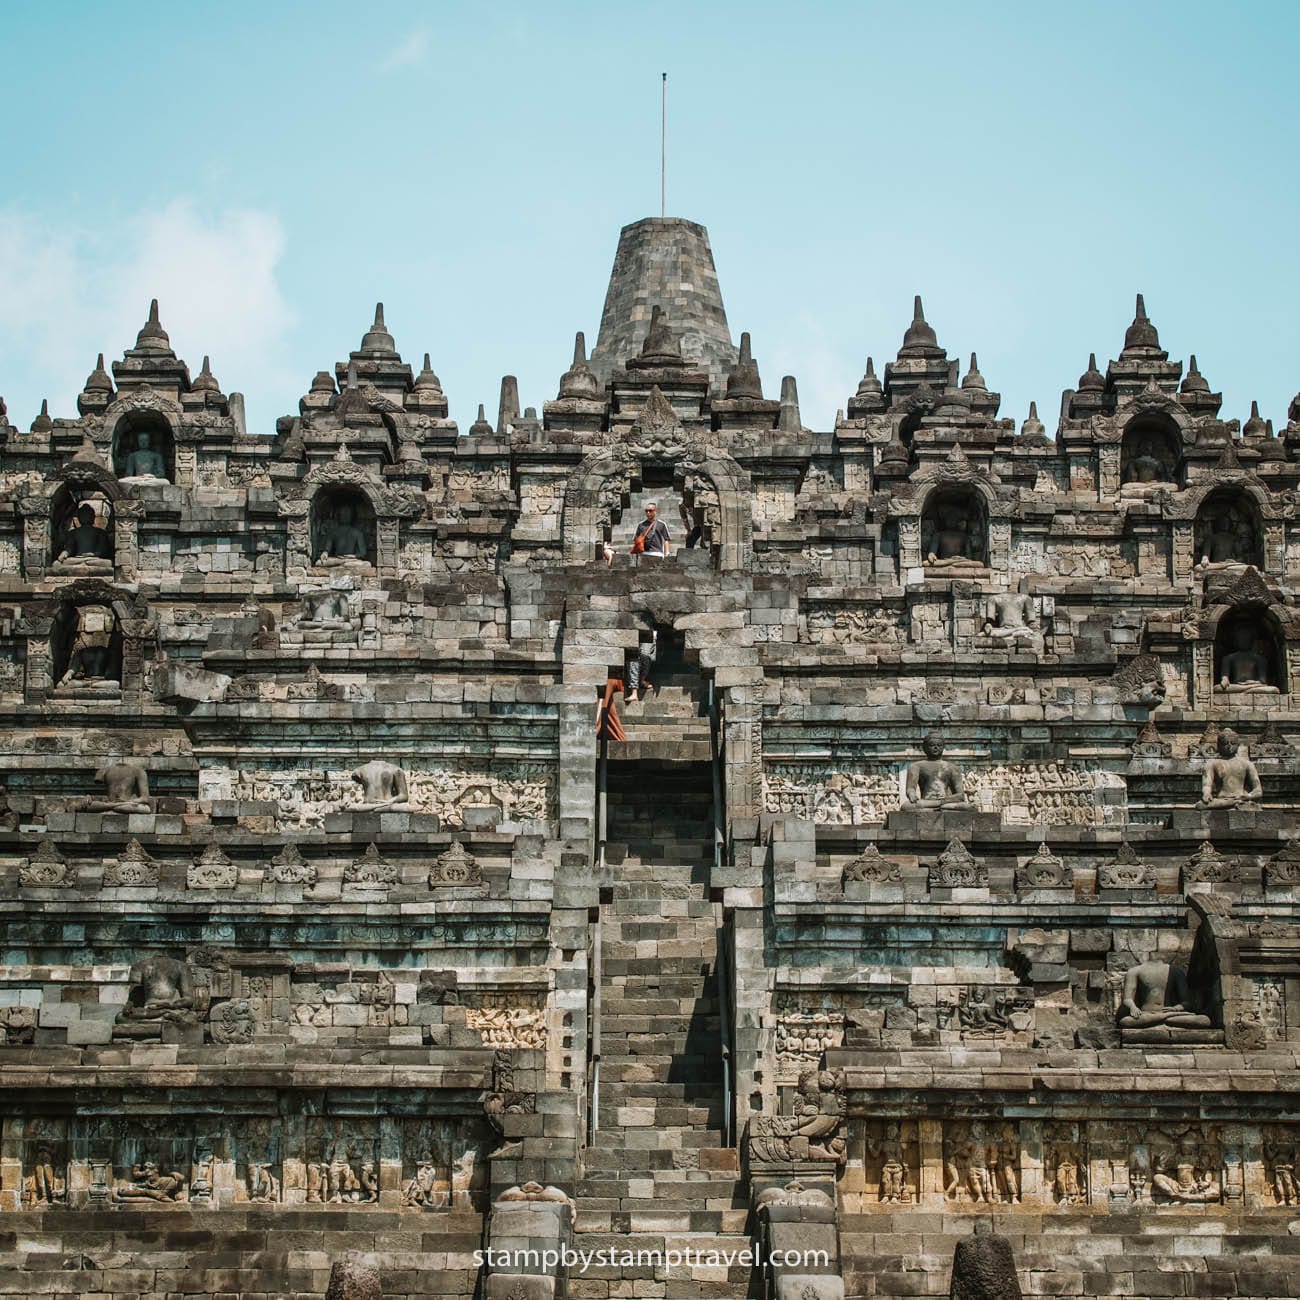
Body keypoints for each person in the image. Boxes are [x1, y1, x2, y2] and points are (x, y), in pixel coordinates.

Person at [625, 629, 657, 704]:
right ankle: (634, 691)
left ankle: (641, 680)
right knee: (634, 657)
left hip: (649, 632)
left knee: (646, 656)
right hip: (633, 631)